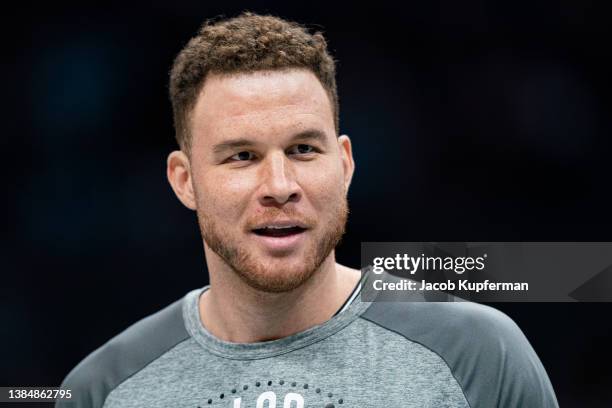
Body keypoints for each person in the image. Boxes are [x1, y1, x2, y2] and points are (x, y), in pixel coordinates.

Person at [57, 12, 558, 408]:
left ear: (344, 163)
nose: (280, 185)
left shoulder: (480, 353)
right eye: (242, 156)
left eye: (302, 150)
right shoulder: (102, 389)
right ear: (184, 181)